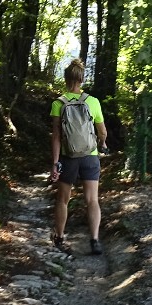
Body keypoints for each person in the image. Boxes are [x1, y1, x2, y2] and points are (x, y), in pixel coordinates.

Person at [49, 59, 107, 255]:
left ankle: (59, 237)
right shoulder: (93, 102)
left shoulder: (59, 103)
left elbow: (56, 135)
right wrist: (102, 144)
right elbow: (103, 132)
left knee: (63, 200)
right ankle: (95, 240)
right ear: (82, 79)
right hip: (90, 156)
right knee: (92, 200)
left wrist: (56, 162)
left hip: (68, 157)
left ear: (66, 79)